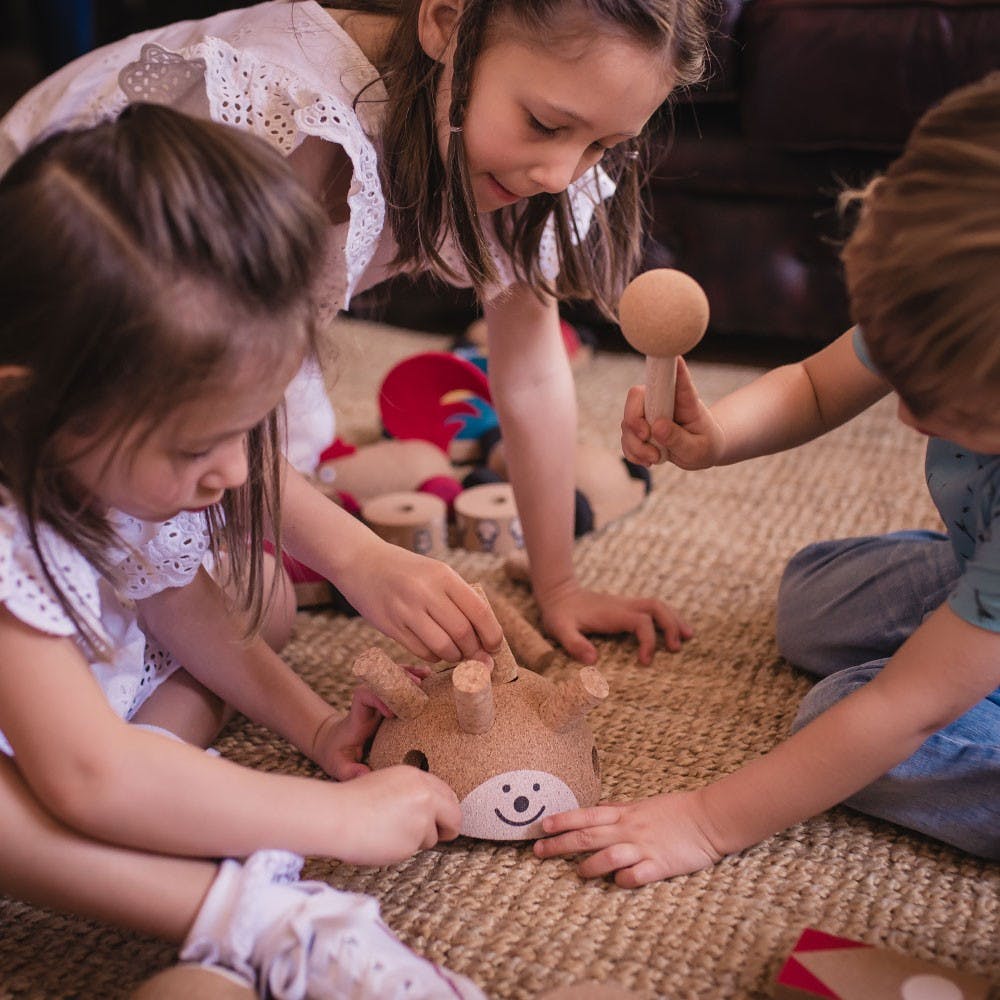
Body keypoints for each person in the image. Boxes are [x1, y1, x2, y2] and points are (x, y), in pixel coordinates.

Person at [0, 0, 710, 665]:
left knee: (254, 610)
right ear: (444, 21)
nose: (560, 174)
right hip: (69, 339)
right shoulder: (289, 113)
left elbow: (527, 370)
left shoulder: (522, 162)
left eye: (601, 146)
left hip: (215, 357)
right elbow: (175, 387)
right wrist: (358, 557)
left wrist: (559, 588)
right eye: (546, 124)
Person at [0, 104, 488, 998]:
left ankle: (166, 785)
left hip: (74, 725)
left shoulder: (82, 446)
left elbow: (176, 600)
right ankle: (243, 913)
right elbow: (83, 776)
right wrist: (335, 816)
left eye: (249, 429)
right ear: (32, 405)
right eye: (196, 448)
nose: (234, 472)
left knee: (254, 597)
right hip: (51, 767)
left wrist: (312, 730)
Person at [535, 74, 1000, 885]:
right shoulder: (950, 297)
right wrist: (712, 439)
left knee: (851, 720)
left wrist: (708, 822)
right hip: (978, 563)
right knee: (810, 601)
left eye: (944, 410)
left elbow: (904, 710)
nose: (906, 422)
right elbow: (817, 386)